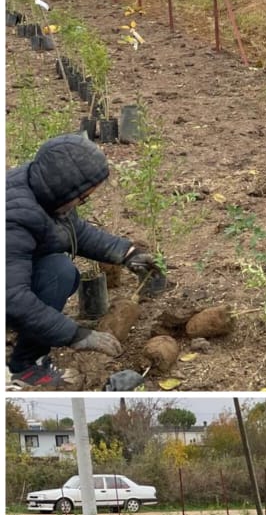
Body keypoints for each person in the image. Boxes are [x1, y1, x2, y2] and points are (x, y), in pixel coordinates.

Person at [6, 134, 163, 388]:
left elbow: (73, 231)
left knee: (58, 271)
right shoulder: (13, 218)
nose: (82, 202)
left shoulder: (43, 188)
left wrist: (127, 253)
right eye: (82, 198)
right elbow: (12, 298)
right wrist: (74, 334)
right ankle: (24, 366)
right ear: (65, 189)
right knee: (59, 273)